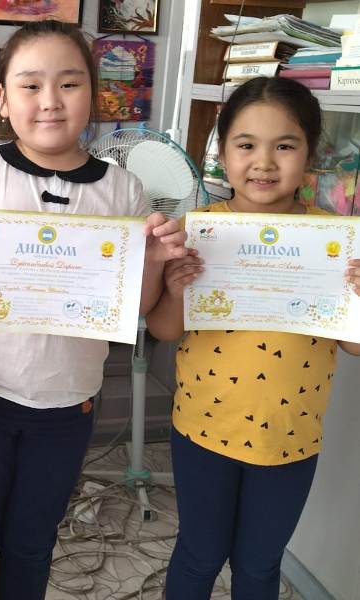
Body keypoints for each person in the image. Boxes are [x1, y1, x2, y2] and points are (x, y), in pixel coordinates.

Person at [0, 19, 187, 600]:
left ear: (93, 94)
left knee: (32, 540)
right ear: (2, 99)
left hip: (67, 404)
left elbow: (137, 305)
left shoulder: (121, 189)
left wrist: (151, 261)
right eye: (30, 85)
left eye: (69, 84)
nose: (49, 101)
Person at [145, 76, 360, 599]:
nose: (264, 163)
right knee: (198, 555)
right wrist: (174, 290)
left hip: (290, 438)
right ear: (222, 154)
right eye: (246, 145)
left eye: (284, 146)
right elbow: (163, 330)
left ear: (311, 155)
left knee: (260, 567)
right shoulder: (197, 230)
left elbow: (354, 344)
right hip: (203, 430)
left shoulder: (334, 239)